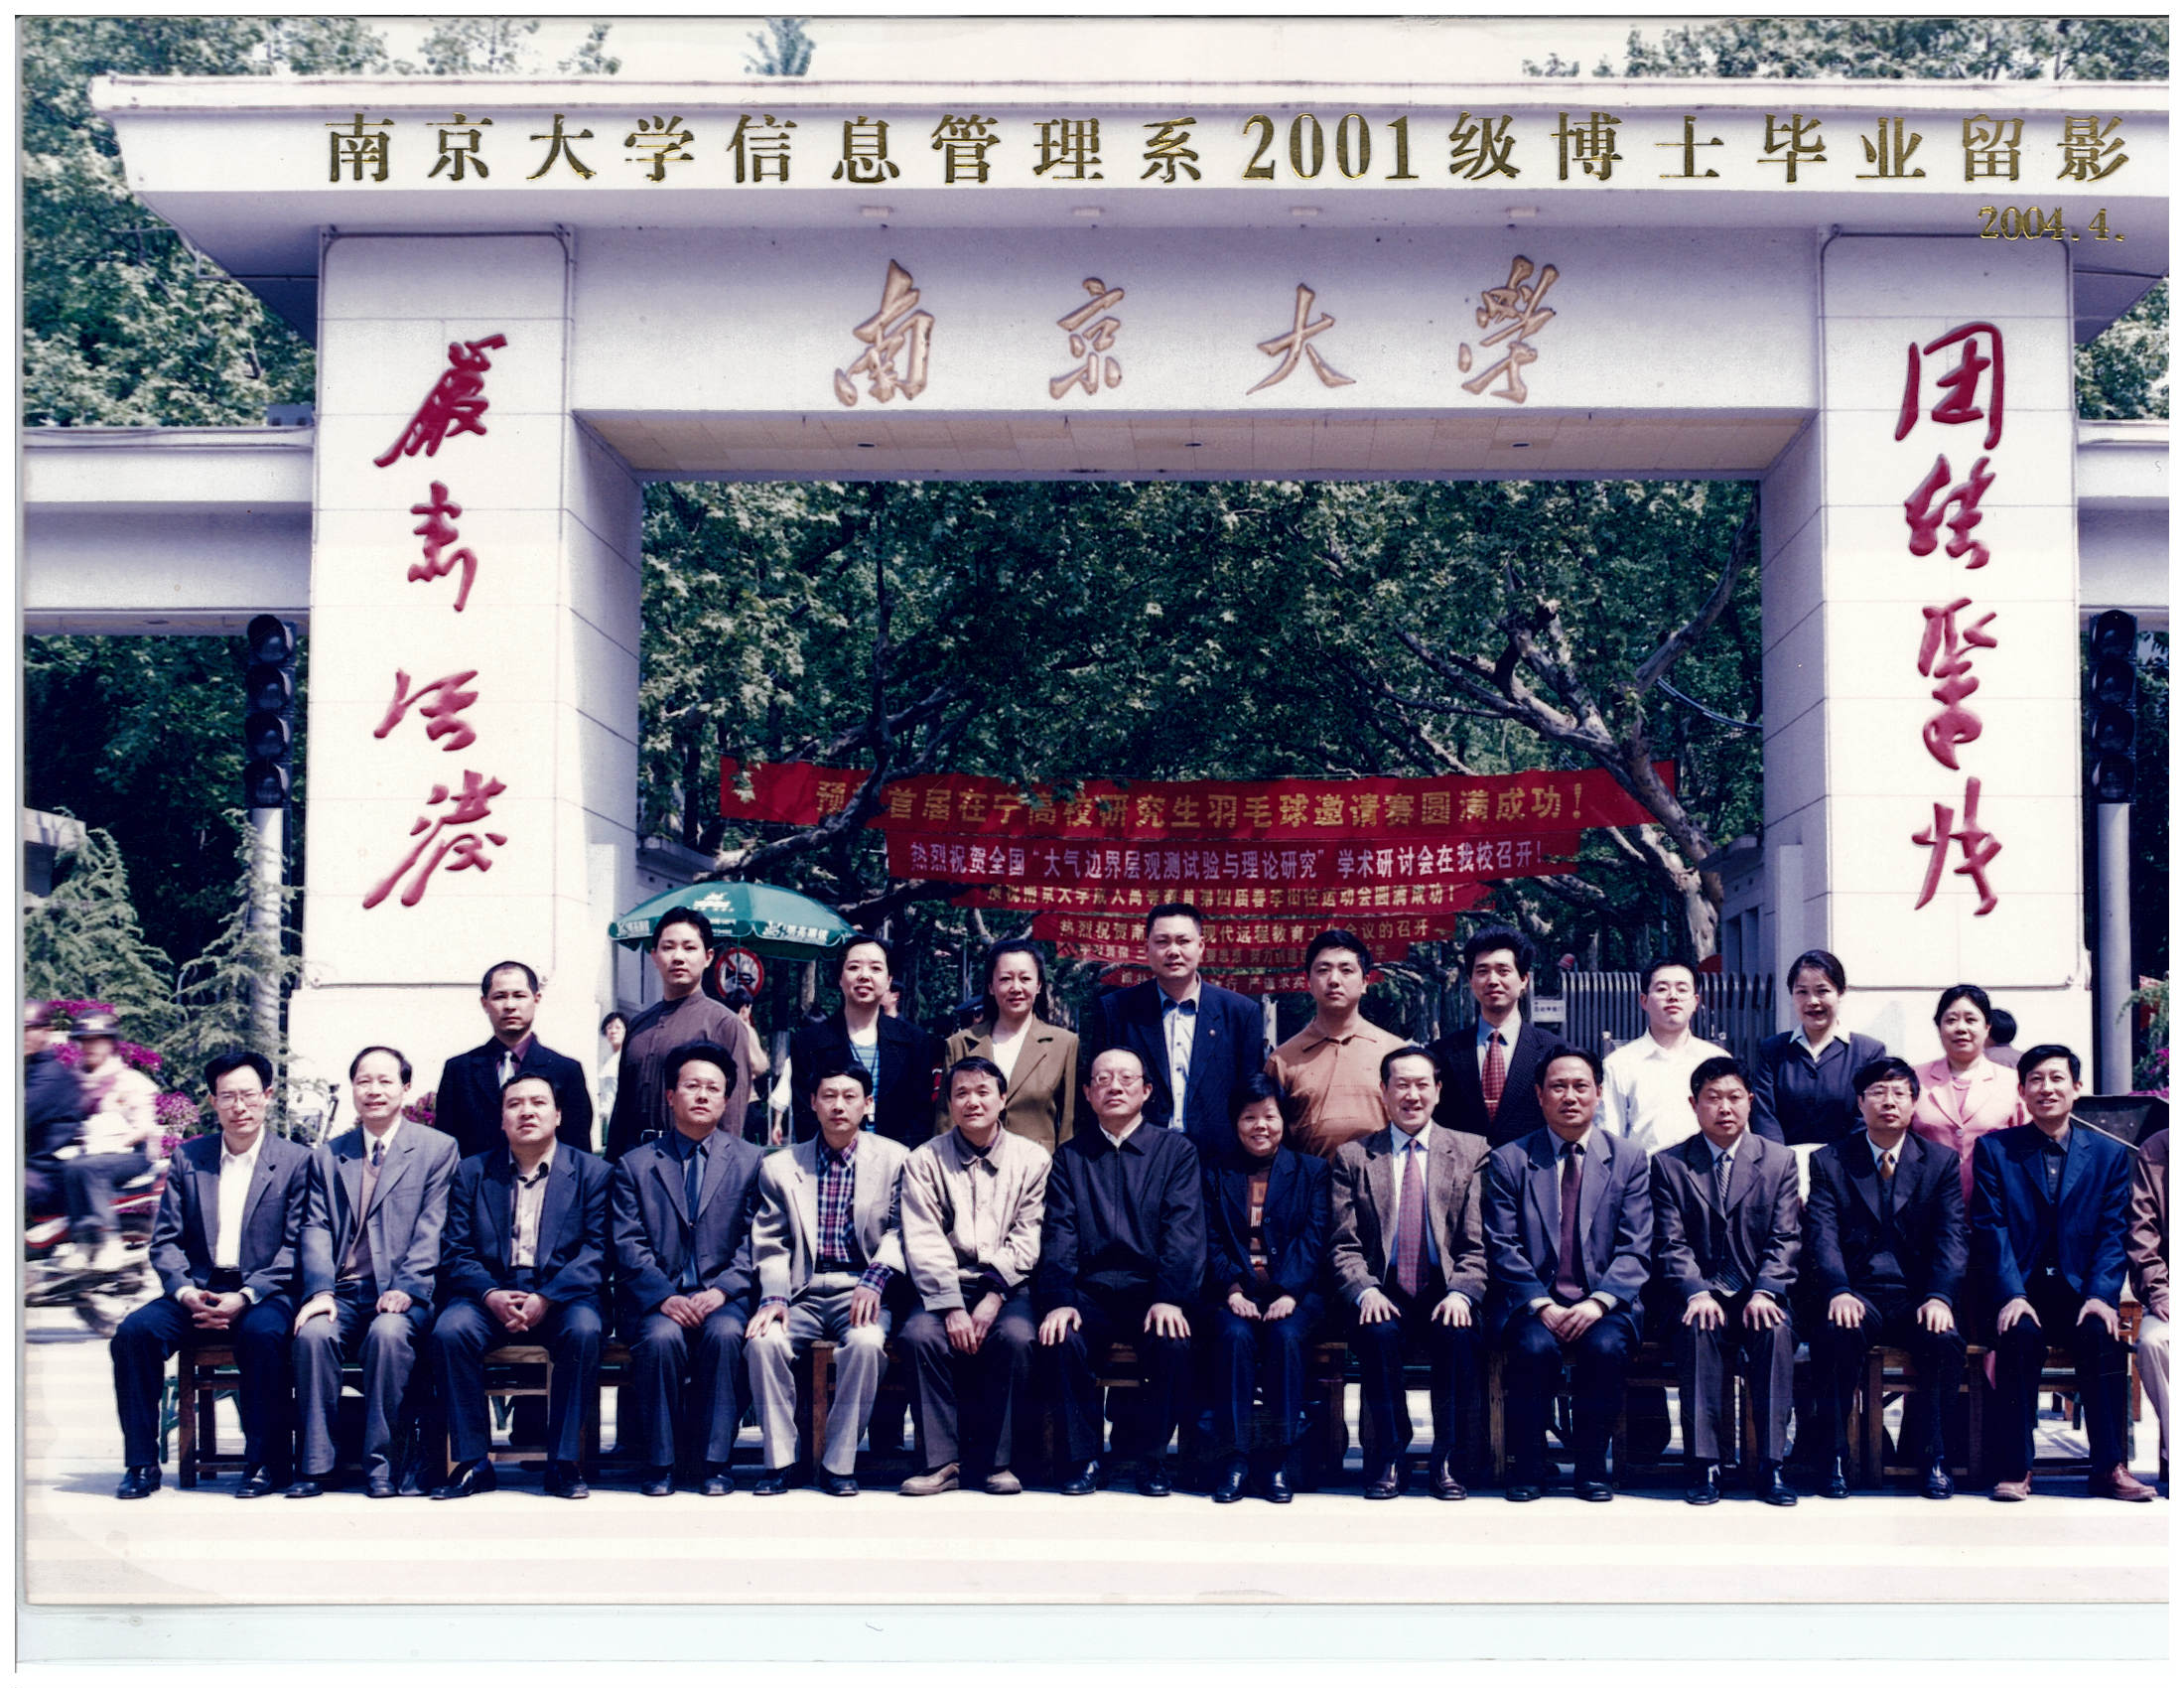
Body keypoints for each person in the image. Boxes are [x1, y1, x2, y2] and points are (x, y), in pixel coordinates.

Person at [109, 1052, 311, 1500]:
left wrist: (247, 1294)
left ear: (268, 1096)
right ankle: (141, 1463)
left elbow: (296, 1246)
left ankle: (265, 1463)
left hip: (265, 1291)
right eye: (228, 1096)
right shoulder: (190, 1158)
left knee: (264, 1335)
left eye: (248, 1095)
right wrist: (184, 1291)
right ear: (213, 1101)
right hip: (199, 1289)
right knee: (133, 1334)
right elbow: (165, 1241)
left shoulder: (296, 1161)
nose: (239, 1107)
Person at [1974, 1045, 2153, 1502]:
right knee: (2017, 1336)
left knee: (2101, 1335)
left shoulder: (2109, 1155)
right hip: (2023, 1288)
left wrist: (2100, 1296)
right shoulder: (1996, 1150)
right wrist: (2012, 1294)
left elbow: (2114, 1231)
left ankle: (2109, 1467)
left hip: (2080, 1291)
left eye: (2057, 1079)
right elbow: (1991, 1228)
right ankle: (2016, 1468)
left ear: (2077, 1088)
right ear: (2022, 1091)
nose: (2046, 1088)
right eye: (2035, 1079)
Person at [429, 1072, 613, 1501]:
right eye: (514, 1104)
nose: (526, 1112)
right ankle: (473, 1462)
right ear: (501, 1118)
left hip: (563, 1296)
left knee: (584, 1330)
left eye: (538, 1103)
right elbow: (455, 1249)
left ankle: (563, 1462)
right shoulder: (473, 1173)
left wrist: (547, 1297)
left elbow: (599, 1251)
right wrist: (490, 1295)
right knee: (450, 1331)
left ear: (558, 1114)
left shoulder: (593, 1173)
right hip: (489, 1294)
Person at [1483, 1047, 1653, 1502]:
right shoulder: (1510, 1159)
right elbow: (1501, 1244)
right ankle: (1529, 1466)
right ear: (1539, 1096)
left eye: (1581, 1086)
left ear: (1599, 1093)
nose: (1570, 1096)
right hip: (1532, 1302)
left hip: (1605, 1303)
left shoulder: (1629, 1159)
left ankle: (1592, 1468)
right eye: (1558, 1087)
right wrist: (1541, 1304)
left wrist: (1598, 1303)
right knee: (1532, 1348)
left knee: (1604, 1347)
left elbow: (1636, 1246)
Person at [290, 1046, 461, 1498]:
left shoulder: (437, 1149)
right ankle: (316, 1465)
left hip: (403, 1292)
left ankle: (382, 1465)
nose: (374, 1090)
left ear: (406, 1088)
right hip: (344, 1291)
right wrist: (320, 1291)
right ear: (353, 1089)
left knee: (388, 1335)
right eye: (364, 1081)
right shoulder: (329, 1156)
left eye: (385, 1081)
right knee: (313, 1336)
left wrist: (408, 1287)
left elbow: (434, 1226)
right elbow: (315, 1227)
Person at [1038, 1047, 1207, 1498]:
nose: (1115, 1086)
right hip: (1089, 1292)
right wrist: (1060, 1300)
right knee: (1060, 1337)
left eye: (1127, 1079)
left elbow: (1184, 1232)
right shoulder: (1070, 1157)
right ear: (1088, 1093)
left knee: (1174, 1341)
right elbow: (1058, 1234)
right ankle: (1084, 1458)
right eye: (1103, 1079)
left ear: (1147, 1091)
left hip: (1150, 1291)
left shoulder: (1175, 1152)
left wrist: (1170, 1296)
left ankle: (1151, 1458)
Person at [1329, 1046, 1490, 1501]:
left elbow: (1477, 1242)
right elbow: (1343, 1243)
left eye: (1422, 1085)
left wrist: (1462, 1292)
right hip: (1384, 1287)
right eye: (1401, 1085)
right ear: (1383, 1092)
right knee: (1376, 1333)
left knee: (1459, 1335)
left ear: (1438, 1091)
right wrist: (1364, 1290)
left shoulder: (1471, 1150)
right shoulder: (1354, 1156)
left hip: (1445, 1287)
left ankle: (1447, 1456)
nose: (1412, 1095)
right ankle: (1391, 1454)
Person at [1802, 1056, 1967, 1500]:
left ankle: (1933, 1456)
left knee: (1945, 1340)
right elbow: (1821, 1235)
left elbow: (1952, 1237)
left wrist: (1940, 1296)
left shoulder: (1940, 1162)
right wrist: (1838, 1290)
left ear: (1914, 1102)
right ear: (1860, 1102)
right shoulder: (1830, 1161)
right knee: (1836, 1331)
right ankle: (1834, 1455)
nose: (1888, 1101)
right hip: (1858, 1293)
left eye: (1898, 1093)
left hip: (1917, 1296)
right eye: (1877, 1092)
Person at [610, 1040, 766, 1496]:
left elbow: (757, 1237)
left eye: (712, 1088)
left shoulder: (751, 1161)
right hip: (658, 1300)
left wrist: (723, 1290)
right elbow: (628, 1243)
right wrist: (664, 1295)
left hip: (723, 1297)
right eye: (691, 1086)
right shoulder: (635, 1165)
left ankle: (715, 1461)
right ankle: (661, 1462)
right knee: (661, 1339)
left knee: (725, 1334)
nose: (701, 1095)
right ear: (670, 1095)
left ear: (726, 1099)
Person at [747, 1060, 909, 1497]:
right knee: (763, 1343)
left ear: (867, 1104)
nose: (839, 1105)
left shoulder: (895, 1159)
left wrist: (876, 1278)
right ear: (813, 1103)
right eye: (829, 1096)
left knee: (866, 1344)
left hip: (862, 1289)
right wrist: (774, 1296)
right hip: (800, 1291)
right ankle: (781, 1461)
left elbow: (901, 1230)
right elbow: (771, 1241)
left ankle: (839, 1462)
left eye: (850, 1096)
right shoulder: (781, 1166)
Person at [1649, 1055, 1802, 1506]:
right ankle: (1705, 1464)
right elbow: (1669, 1242)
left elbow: (1786, 1237)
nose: (1725, 1107)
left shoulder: (1779, 1160)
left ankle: (1772, 1465)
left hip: (1757, 1291)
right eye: (1712, 1098)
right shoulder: (1670, 1164)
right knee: (1698, 1329)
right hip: (1698, 1294)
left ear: (1750, 1101)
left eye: (1735, 1097)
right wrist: (1695, 1291)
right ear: (1693, 1104)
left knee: (1775, 1332)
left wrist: (1767, 1290)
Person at [894, 1056, 1049, 1495]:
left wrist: (993, 1296)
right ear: (949, 1103)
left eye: (983, 1092)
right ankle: (941, 1462)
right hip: (942, 1286)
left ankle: (998, 1463)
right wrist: (950, 1307)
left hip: (1008, 1286)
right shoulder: (924, 1160)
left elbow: (1029, 1235)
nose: (972, 1102)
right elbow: (923, 1239)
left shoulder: (1032, 1159)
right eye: (961, 1093)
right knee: (919, 1337)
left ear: (1003, 1099)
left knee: (1016, 1337)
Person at [1201, 1072, 1329, 1503]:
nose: (1261, 1126)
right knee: (1234, 1338)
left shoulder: (1312, 1171)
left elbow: (1314, 1239)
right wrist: (1233, 1290)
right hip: (1232, 1294)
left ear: (1283, 1120)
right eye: (1249, 1117)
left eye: (1269, 1116)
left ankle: (1279, 1460)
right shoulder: (1215, 1172)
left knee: (1286, 1337)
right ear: (1235, 1122)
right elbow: (1209, 1238)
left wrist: (1288, 1292)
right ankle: (1234, 1459)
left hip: (1295, 1295)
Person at [1079, 903, 1265, 1159]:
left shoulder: (1240, 1013)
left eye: (1183, 941)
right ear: (1147, 949)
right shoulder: (1116, 1010)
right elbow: (1097, 1087)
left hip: (1218, 1160)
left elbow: (1251, 1095)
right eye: (1162, 942)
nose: (1173, 951)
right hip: (1136, 1156)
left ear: (1201, 946)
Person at [604, 907, 747, 1161]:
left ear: (708, 957)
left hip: (691, 1161)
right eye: (668, 947)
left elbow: (731, 1115)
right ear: (654, 956)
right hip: (634, 1163)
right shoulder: (638, 1025)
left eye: (689, 948)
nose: (678, 957)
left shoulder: (723, 1024)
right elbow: (621, 1109)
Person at [789, 933, 943, 1149]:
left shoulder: (916, 1042)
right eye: (854, 967)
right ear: (840, 978)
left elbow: (921, 1117)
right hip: (829, 1161)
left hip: (898, 1161)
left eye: (875, 968)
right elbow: (806, 1118)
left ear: (888, 980)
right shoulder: (808, 1042)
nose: (864, 976)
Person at [429, 961, 595, 1160]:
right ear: (484, 1003)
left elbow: (577, 1150)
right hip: (476, 1178)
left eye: (519, 995)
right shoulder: (459, 1070)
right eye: (499, 996)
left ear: (536, 999)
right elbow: (446, 1147)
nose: (510, 1005)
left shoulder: (565, 1070)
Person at [1265, 929, 1405, 1161]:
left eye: (1346, 970)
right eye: (1323, 970)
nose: (1334, 980)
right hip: (1312, 1180)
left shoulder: (1395, 1053)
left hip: (1383, 1179)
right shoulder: (1282, 1060)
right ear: (1308, 982)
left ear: (1365, 982)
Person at [1427, 925, 1561, 1150]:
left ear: (1524, 980)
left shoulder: (1554, 1051)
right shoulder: (1441, 1053)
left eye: (1503, 970)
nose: (1492, 980)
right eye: (1482, 971)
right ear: (1471, 981)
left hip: (1531, 1167)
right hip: (1462, 1168)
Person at [941, 939, 1078, 1153]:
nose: (1016, 988)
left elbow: (1070, 1123)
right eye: (1005, 979)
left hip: (1038, 1166)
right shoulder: (960, 1043)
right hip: (968, 1164)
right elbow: (946, 1120)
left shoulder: (1064, 1044)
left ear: (1039, 985)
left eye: (1025, 978)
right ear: (991, 986)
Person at [1748, 949, 1888, 1147]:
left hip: (1847, 1162)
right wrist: (1780, 1159)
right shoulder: (1772, 1050)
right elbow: (1763, 1115)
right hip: (1785, 1161)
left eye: (1822, 991)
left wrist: (1834, 1161)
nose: (1812, 1001)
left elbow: (1868, 1116)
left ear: (1840, 992)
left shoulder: (1868, 1052)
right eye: (1802, 992)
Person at [1597, 958, 1731, 1155]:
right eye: (1661, 989)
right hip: (1646, 1172)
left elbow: (1736, 1131)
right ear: (1644, 1001)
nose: (1673, 996)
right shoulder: (1618, 1064)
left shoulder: (1718, 1059)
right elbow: (1609, 1137)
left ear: (1695, 1002)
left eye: (1682, 989)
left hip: (1708, 1171)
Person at [1910, 983, 2027, 1205]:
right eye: (1951, 1020)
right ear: (1939, 1027)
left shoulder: (2013, 1082)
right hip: (1928, 1207)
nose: (1961, 1028)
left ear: (1987, 1027)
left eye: (1971, 1020)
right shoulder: (1914, 1079)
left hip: (1996, 1207)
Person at [62, 1012, 161, 1269]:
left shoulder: (129, 1081)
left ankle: (110, 1240)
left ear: (110, 1043)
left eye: (97, 1040)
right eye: (85, 1040)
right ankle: (83, 1241)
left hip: (131, 1154)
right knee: (71, 1168)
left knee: (90, 1168)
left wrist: (112, 1143)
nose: (90, 1046)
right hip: (89, 1153)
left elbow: (144, 1127)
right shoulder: (75, 1081)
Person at [2125, 1129, 2168, 1475]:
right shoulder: (2158, 1150)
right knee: (2154, 1342)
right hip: (2171, 1296)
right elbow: (2142, 1234)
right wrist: (2160, 1292)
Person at [23, 1003, 85, 1216]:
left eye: (27, 1028)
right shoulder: (28, 1069)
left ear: (46, 1031)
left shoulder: (51, 1076)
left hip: (45, 1175)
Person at [597, 1012, 628, 1119]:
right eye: (609, 1027)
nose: (613, 1031)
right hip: (605, 1116)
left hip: (621, 1116)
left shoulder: (627, 1057)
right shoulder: (607, 1059)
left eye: (618, 1027)